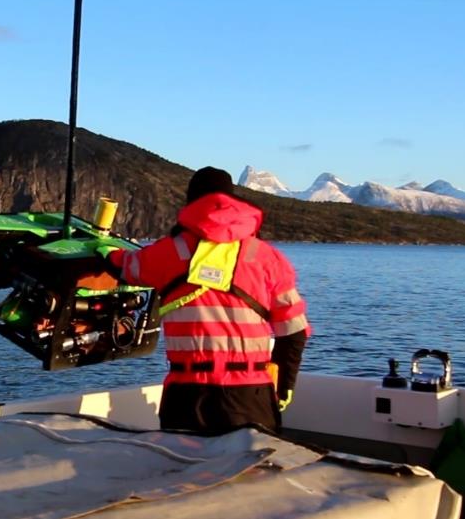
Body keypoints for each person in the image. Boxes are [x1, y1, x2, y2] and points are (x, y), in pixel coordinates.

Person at [102, 166, 310, 434]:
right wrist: (283, 388)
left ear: (192, 202)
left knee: (184, 470)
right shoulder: (267, 258)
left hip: (188, 395)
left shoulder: (169, 251)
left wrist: (105, 250)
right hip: (251, 396)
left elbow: (123, 267)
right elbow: (294, 332)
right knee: (253, 475)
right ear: (233, 201)